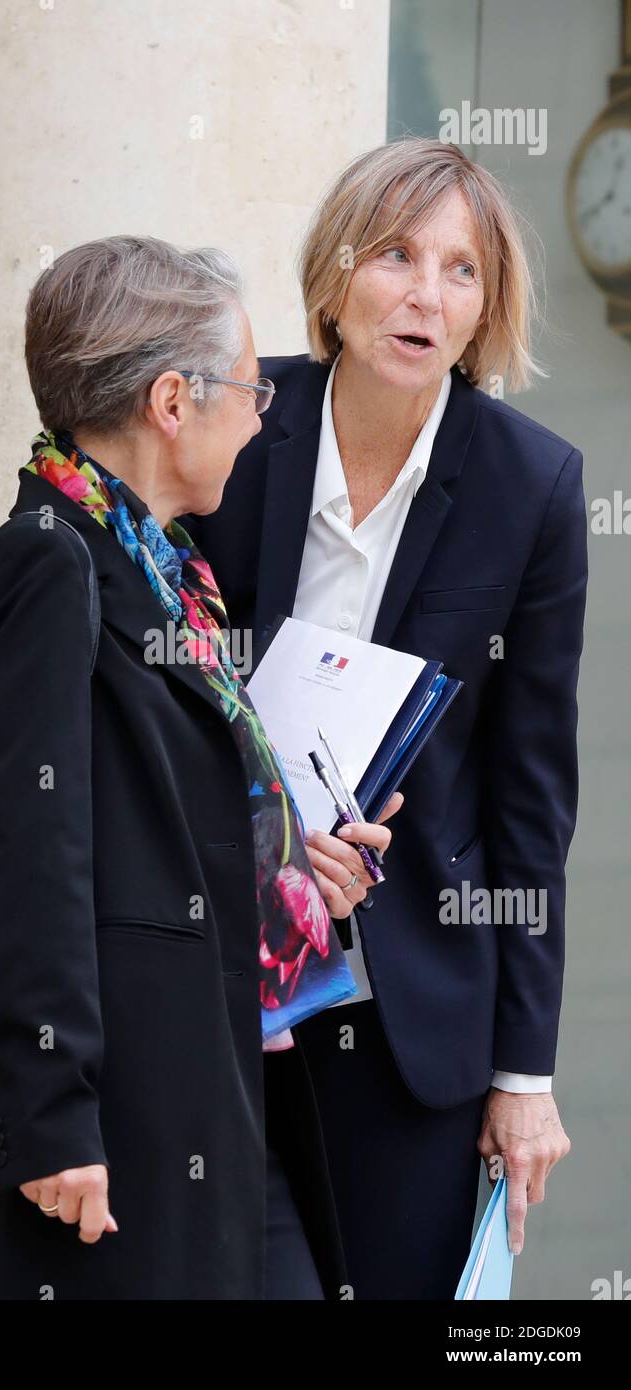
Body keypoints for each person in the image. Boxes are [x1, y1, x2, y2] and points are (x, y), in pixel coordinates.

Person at [0, 234, 397, 1301]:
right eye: (245, 388)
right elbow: (30, 848)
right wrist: (52, 1113)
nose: (261, 414)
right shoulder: (48, 560)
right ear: (169, 402)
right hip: (116, 1115)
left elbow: (162, 822)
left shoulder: (162, 572)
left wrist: (299, 867)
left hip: (212, 1085)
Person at [182, 138, 587, 1299]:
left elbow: (529, 797)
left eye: (460, 271)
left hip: (409, 1008)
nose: (425, 294)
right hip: (213, 982)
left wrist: (523, 1070)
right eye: (397, 256)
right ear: (334, 277)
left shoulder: (531, 488)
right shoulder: (234, 425)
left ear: (484, 309)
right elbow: (154, 703)